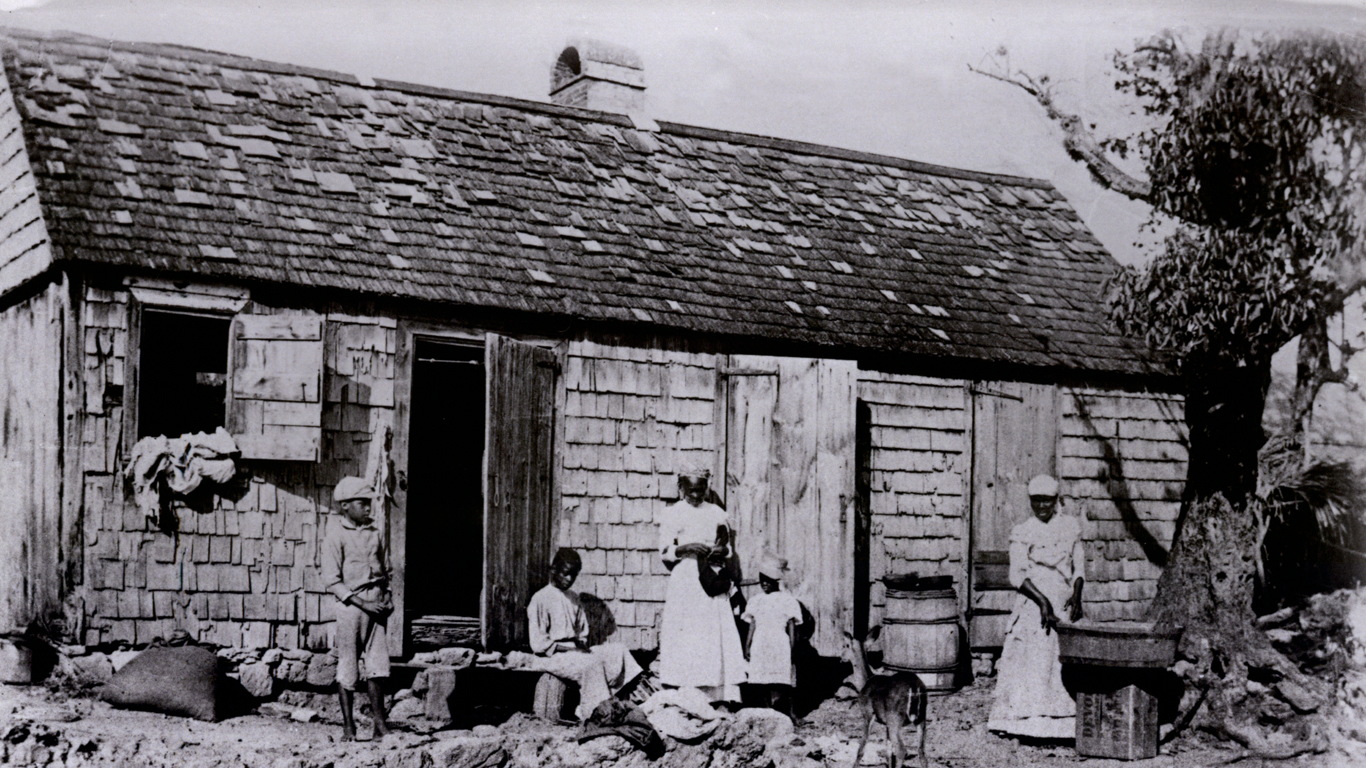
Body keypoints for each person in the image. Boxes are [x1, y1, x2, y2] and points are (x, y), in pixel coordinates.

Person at [988, 474, 1086, 739]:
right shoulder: (1024, 530)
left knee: (1062, 658)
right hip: (1034, 599)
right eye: (1036, 502)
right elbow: (1016, 575)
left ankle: (1064, 721)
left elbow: (1079, 565)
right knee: (1034, 656)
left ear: (1056, 500)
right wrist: (1042, 602)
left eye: (1047, 501)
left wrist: (1077, 594)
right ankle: (1025, 721)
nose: (1041, 507)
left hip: (1064, 600)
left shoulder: (1070, 526)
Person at [657, 467, 746, 705]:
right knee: (687, 633)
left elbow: (728, 548)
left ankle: (715, 695)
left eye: (700, 490)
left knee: (711, 632)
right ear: (681, 488)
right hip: (686, 578)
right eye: (691, 491)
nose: (696, 496)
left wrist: (720, 551)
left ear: (707, 488)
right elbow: (665, 551)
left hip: (710, 576)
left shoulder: (716, 513)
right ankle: (685, 692)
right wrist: (685, 548)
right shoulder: (673, 513)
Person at [527, 547, 644, 722]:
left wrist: (581, 647)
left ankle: (630, 698)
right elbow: (538, 643)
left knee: (617, 651)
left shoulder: (574, 598)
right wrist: (569, 649)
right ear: (553, 570)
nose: (569, 579)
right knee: (592, 664)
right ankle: (594, 713)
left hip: (574, 650)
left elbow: (582, 633)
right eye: (565, 574)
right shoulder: (540, 598)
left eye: (574, 575)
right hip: (552, 655)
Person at [322, 476, 392, 741]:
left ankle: (379, 725)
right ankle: (348, 726)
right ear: (345, 506)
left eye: (369, 503)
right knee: (348, 666)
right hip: (352, 606)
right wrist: (363, 603)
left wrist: (388, 596)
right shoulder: (335, 537)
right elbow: (332, 580)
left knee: (378, 665)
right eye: (362, 503)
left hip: (376, 603)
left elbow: (386, 569)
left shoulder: (375, 533)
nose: (368, 508)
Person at [742, 553, 803, 721]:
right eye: (762, 580)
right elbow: (752, 623)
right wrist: (747, 646)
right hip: (760, 642)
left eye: (768, 581)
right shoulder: (756, 600)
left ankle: (790, 713)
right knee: (762, 680)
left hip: (779, 643)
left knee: (782, 680)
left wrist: (792, 646)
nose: (765, 584)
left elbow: (791, 624)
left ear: (776, 581)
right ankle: (768, 712)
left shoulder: (787, 600)